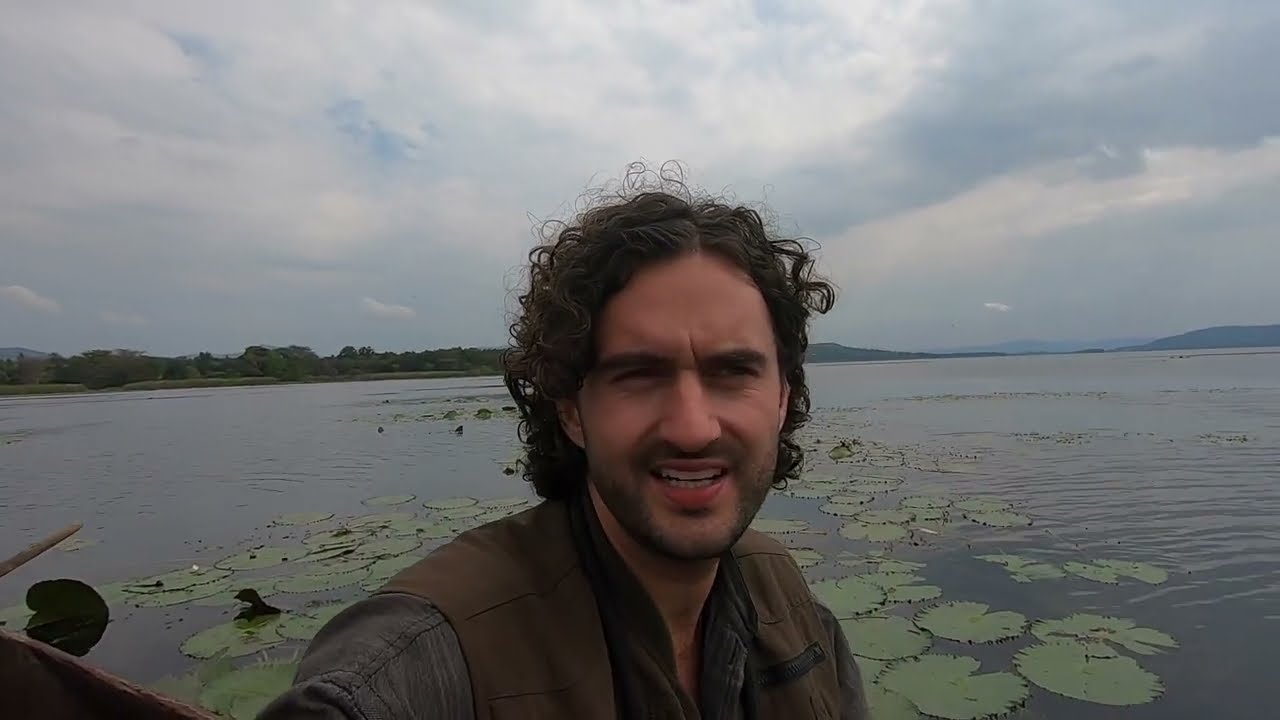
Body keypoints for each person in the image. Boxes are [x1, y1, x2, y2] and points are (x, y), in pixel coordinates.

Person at [258, 163, 870, 719]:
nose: (692, 427)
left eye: (733, 372)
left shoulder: (788, 597)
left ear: (783, 398)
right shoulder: (432, 654)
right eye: (639, 374)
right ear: (571, 408)